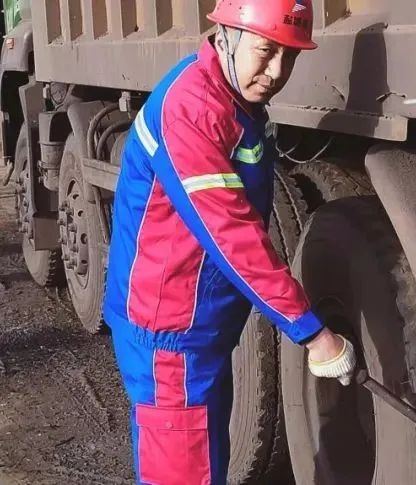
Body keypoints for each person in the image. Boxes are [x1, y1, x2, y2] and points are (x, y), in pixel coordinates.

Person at [104, 0, 356, 483]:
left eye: (289, 56)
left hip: (194, 330)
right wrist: (313, 333)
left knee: (202, 465)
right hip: (171, 337)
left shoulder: (231, 97)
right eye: (265, 51)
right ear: (225, 37)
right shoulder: (193, 109)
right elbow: (232, 234)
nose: (276, 72)